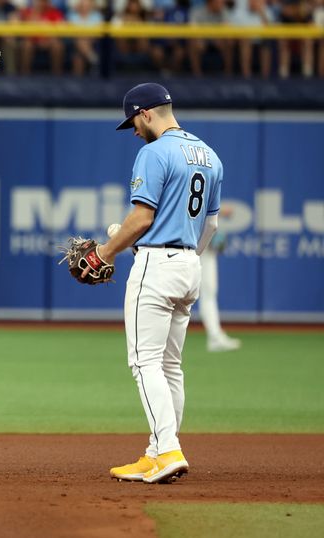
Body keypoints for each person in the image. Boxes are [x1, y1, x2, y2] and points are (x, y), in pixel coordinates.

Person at [94, 83, 223, 484]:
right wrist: (186, 257)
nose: (132, 130)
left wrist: (105, 252)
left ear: (146, 113)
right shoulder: (209, 155)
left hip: (157, 263)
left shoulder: (153, 152)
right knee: (170, 366)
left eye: (132, 121)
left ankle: (167, 450)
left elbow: (140, 219)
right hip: (190, 264)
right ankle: (156, 450)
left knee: (145, 363)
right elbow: (212, 224)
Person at [198, 204, 241, 352]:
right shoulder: (191, 182)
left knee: (208, 293)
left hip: (205, 246)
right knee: (204, 293)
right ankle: (215, 336)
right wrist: (221, 209)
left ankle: (215, 335)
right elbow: (200, 205)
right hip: (196, 245)